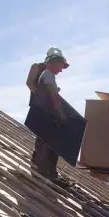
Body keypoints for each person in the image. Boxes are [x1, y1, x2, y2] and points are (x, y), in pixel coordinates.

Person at [27, 47, 69, 180]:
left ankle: (44, 168)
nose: (61, 70)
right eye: (60, 66)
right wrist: (43, 99)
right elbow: (31, 84)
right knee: (46, 138)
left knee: (44, 138)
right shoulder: (42, 70)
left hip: (44, 109)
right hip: (41, 109)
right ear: (53, 61)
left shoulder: (48, 74)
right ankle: (42, 169)